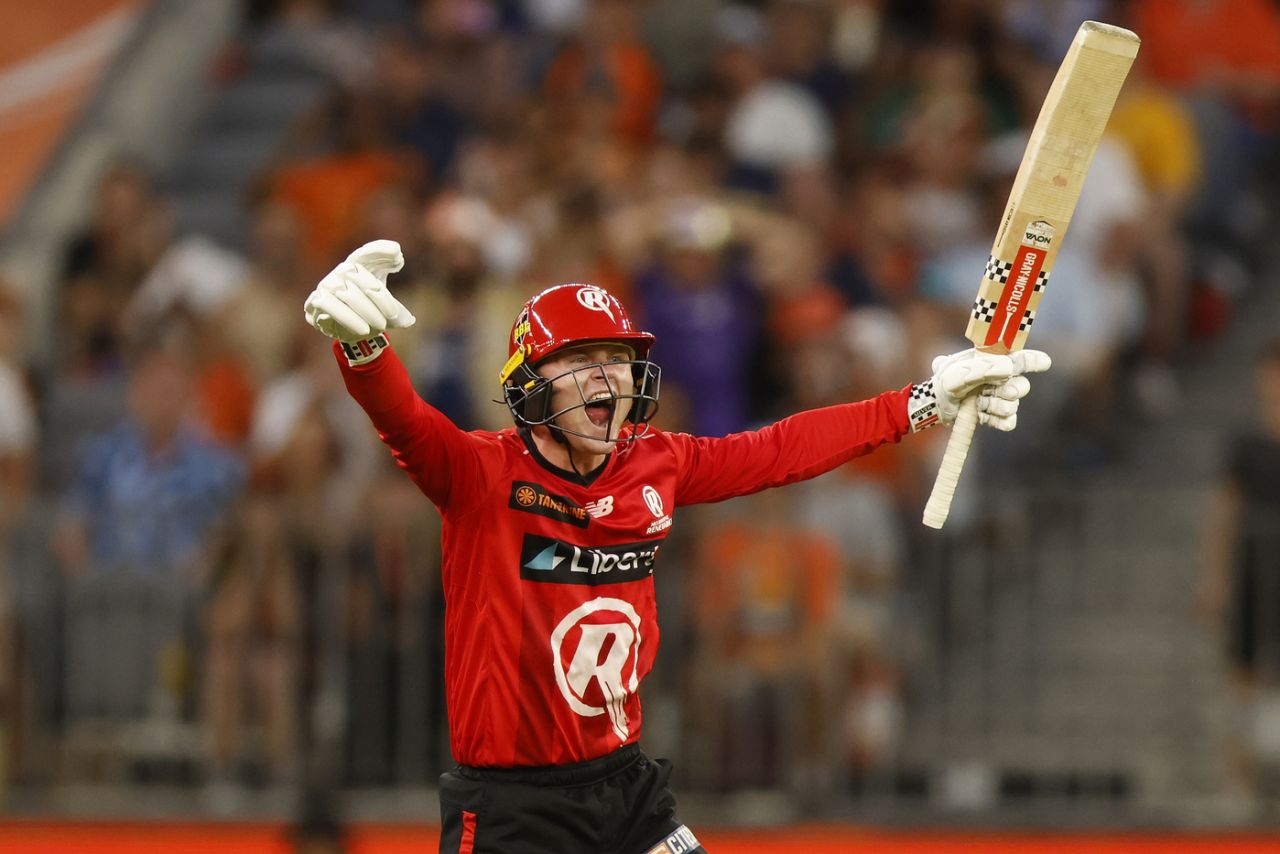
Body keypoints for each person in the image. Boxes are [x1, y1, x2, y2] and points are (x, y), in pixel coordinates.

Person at [302, 240, 1050, 854]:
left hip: (626, 790)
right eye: (581, 359)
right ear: (530, 384)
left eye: (618, 358)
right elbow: (402, 419)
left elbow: (780, 447)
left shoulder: (656, 462)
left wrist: (922, 401)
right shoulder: (478, 474)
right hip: (510, 809)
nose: (609, 375)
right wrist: (362, 347)